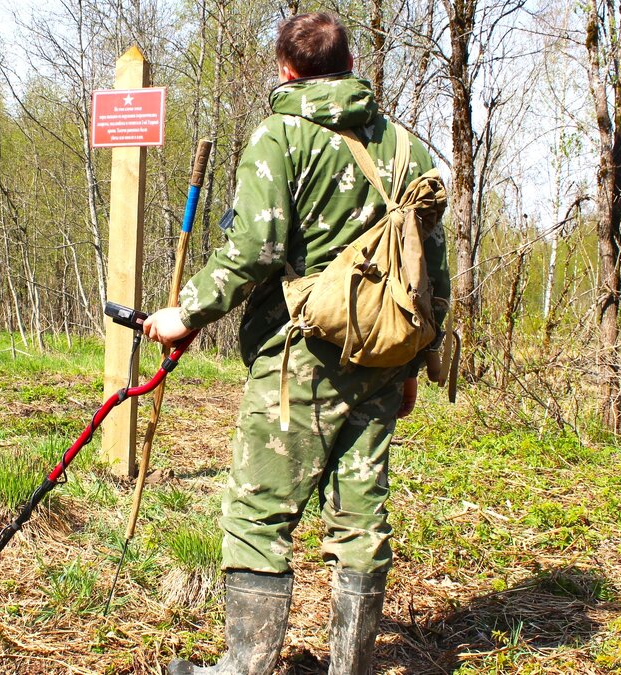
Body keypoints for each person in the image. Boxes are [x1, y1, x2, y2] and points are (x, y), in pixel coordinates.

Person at [141, 11, 450, 675]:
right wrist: (418, 362)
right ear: (347, 63)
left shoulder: (281, 137)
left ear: (285, 68)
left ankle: (244, 666)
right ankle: (351, 667)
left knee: (258, 511)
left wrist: (185, 312)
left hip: (299, 355)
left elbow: (255, 250)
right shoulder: (408, 149)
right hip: (382, 356)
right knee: (360, 518)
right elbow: (433, 271)